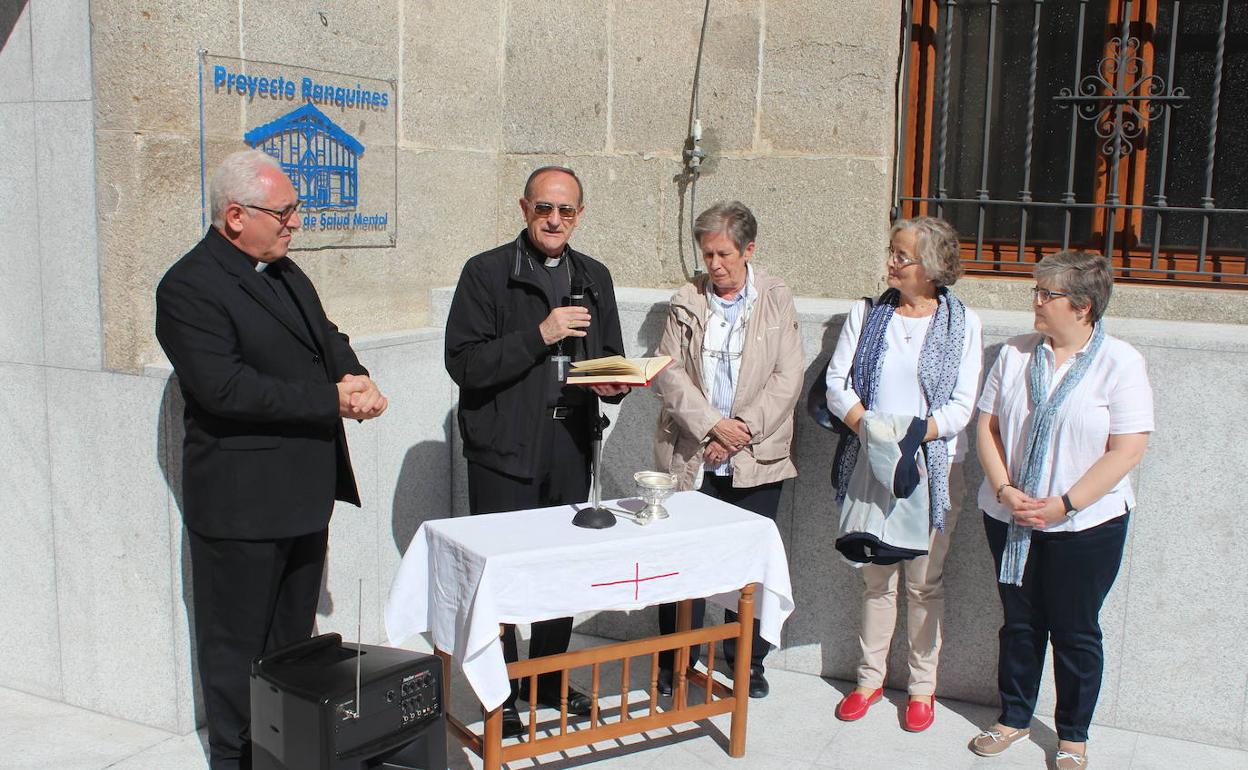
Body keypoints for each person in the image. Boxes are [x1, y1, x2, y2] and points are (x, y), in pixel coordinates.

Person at [155, 149, 387, 770]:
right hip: (241, 504)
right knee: (235, 651)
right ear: (236, 215)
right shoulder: (188, 287)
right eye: (284, 211)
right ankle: (236, 761)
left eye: (295, 210)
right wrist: (329, 398)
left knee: (293, 645)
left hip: (303, 494)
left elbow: (326, 336)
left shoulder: (284, 272)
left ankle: (287, 752)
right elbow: (222, 389)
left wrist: (355, 376)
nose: (295, 223)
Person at [444, 166, 630, 738]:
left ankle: (547, 680)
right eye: (544, 209)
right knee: (502, 574)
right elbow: (465, 364)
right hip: (504, 448)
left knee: (560, 573)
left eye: (566, 211)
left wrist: (615, 382)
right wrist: (541, 334)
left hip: (569, 443)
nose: (555, 220)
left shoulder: (594, 275)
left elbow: (611, 355)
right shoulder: (487, 272)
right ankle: (502, 693)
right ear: (524, 208)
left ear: (580, 215)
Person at [970, 251, 1152, 770]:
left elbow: (1127, 449)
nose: (1035, 301)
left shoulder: (1120, 362)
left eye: (1046, 294)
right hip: (1010, 516)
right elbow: (988, 427)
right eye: (1037, 290)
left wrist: (1065, 503)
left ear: (1083, 307)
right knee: (1020, 624)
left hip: (1086, 525)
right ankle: (1013, 717)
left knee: (1075, 630)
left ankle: (1073, 735)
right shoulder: (1014, 354)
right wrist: (1005, 489)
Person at [825, 216, 983, 732]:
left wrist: (914, 438)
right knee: (875, 580)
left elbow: (962, 405)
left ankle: (921, 689)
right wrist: (874, 435)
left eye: (902, 255)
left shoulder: (964, 323)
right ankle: (869, 681)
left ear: (932, 266)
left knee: (923, 583)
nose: (891, 262)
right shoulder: (868, 314)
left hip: (932, 469)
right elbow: (837, 385)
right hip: (871, 466)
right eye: (891, 252)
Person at [651, 201, 803, 699]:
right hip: (693, 451)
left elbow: (788, 376)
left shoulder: (776, 297)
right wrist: (714, 426)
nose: (714, 264)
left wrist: (742, 429)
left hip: (757, 456)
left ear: (748, 250)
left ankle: (746, 662)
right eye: (707, 254)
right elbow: (667, 372)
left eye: (723, 254)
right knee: (683, 560)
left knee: (747, 564)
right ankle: (678, 659)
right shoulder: (686, 299)